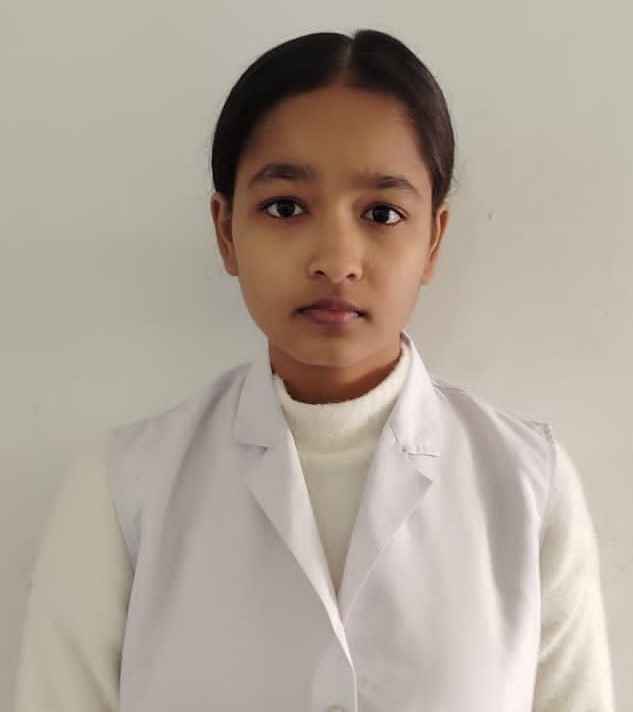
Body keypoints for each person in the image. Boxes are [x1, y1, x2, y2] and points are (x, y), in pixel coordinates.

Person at [14, 29, 615, 711]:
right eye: (285, 207)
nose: (335, 259)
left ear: (433, 241)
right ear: (225, 231)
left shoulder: (528, 489)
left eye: (382, 213)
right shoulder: (124, 490)